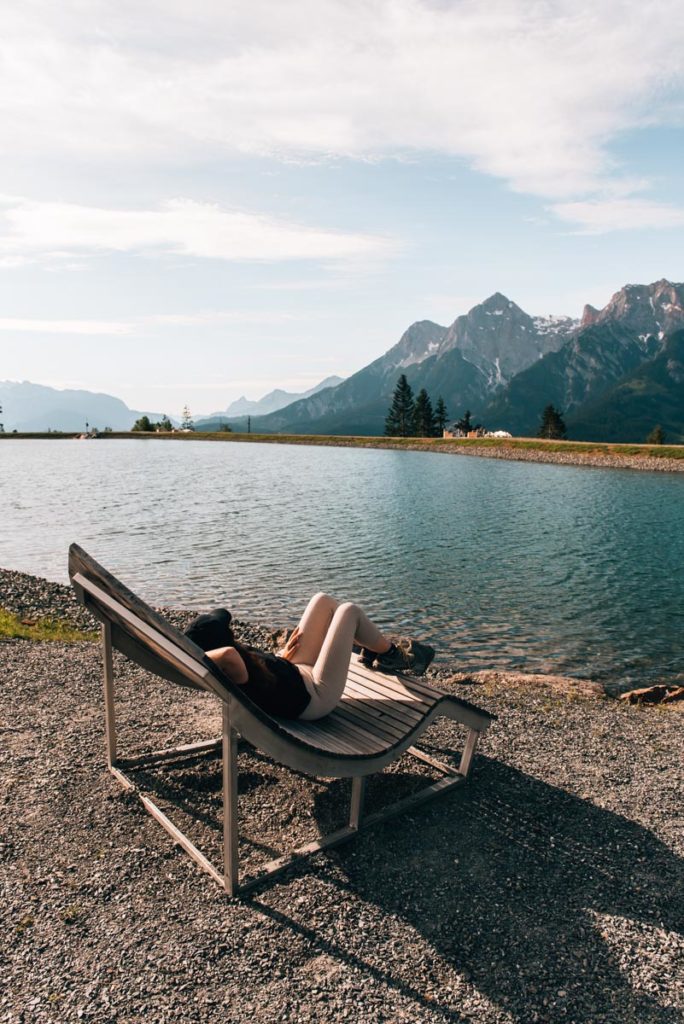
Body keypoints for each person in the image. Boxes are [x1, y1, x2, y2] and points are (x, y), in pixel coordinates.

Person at [184, 592, 435, 722]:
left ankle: (374, 648)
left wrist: (281, 656)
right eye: (229, 631)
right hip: (316, 696)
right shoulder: (230, 663)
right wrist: (193, 655)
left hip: (291, 672)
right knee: (349, 611)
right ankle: (392, 654)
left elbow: (255, 674)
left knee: (323, 601)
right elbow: (229, 654)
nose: (233, 631)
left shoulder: (234, 665)